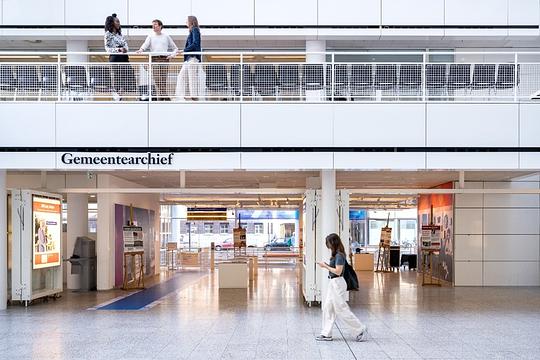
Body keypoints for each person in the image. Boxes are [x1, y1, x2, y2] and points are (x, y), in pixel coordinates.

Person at [316, 233, 368, 342]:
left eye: (329, 243)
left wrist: (325, 266)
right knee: (328, 308)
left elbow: (338, 272)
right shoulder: (337, 255)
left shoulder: (339, 255)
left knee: (341, 309)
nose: (328, 245)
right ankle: (326, 333)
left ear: (333, 243)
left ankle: (360, 329)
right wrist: (326, 265)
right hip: (333, 283)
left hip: (337, 283)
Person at [136, 19, 178, 101]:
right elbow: (145, 45)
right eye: (153, 24)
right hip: (154, 59)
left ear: (160, 26)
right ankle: (165, 97)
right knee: (157, 79)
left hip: (164, 59)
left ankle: (161, 98)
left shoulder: (166, 36)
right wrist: (141, 50)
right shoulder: (150, 36)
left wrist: (172, 55)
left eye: (155, 24)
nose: (153, 26)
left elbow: (175, 48)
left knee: (163, 79)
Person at [104, 13, 135, 99]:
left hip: (124, 57)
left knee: (127, 75)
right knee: (117, 76)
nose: (118, 23)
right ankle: (117, 96)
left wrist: (125, 49)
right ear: (112, 23)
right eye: (117, 21)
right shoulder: (108, 34)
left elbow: (126, 45)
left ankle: (121, 95)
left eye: (119, 22)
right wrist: (118, 49)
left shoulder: (120, 34)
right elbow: (107, 48)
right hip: (115, 57)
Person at [172, 15, 202, 101]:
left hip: (192, 58)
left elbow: (195, 44)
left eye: (186, 21)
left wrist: (183, 50)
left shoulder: (195, 30)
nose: (185, 22)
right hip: (189, 59)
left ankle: (194, 96)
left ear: (191, 21)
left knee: (191, 77)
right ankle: (180, 95)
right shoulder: (192, 31)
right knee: (181, 76)